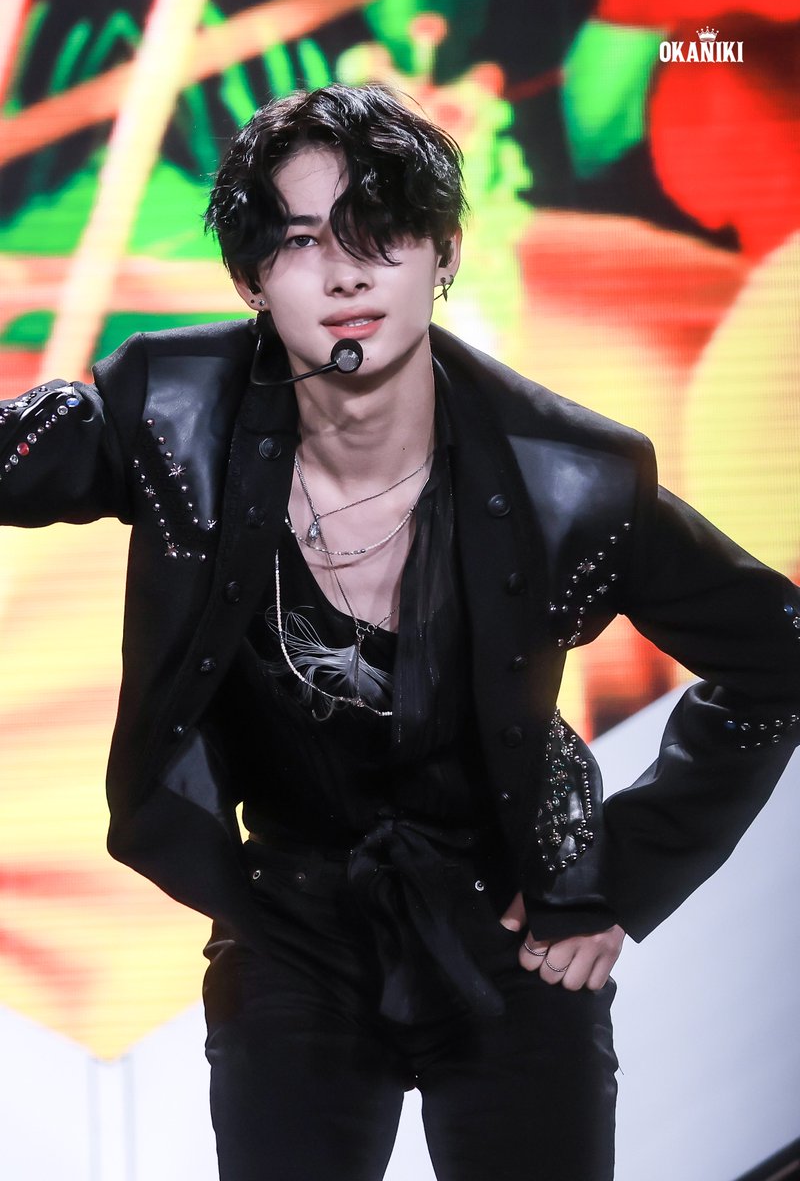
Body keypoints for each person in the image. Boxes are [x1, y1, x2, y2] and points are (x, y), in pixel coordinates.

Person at [1, 83, 799, 1180]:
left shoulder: (570, 477)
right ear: (250, 280)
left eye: (381, 230)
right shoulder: (172, 414)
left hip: (511, 927)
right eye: (301, 241)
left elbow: (776, 658)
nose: (346, 273)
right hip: (290, 919)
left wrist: (625, 876)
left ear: (442, 253)